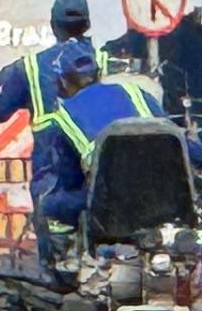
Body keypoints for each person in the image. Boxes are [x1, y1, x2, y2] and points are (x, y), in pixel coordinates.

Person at [33, 39, 170, 253]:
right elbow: (180, 141)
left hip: (109, 209)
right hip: (165, 198)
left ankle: (66, 265)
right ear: (98, 74)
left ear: (63, 82)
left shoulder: (64, 117)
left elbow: (68, 179)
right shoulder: (134, 92)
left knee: (49, 205)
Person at [0, 0, 93, 147]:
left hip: (53, 166)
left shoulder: (31, 67)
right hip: (98, 166)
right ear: (88, 24)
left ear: (53, 25)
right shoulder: (105, 62)